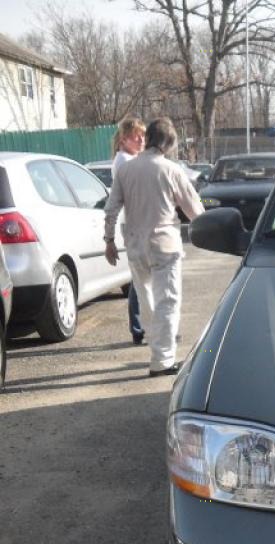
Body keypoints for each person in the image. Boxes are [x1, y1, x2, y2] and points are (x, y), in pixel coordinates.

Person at [103, 118, 204, 376]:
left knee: (146, 298)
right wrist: (207, 230)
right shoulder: (171, 170)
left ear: (148, 139)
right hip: (165, 244)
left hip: (135, 244)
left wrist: (109, 241)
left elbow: (111, 208)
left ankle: (155, 345)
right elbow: (195, 211)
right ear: (168, 144)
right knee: (167, 301)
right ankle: (163, 360)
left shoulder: (125, 170)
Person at [110, 117, 147, 344]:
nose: (141, 140)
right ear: (124, 139)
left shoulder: (130, 158)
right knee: (140, 276)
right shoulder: (124, 161)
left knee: (141, 276)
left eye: (143, 135)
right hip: (135, 224)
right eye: (136, 136)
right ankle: (138, 327)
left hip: (137, 223)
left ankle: (141, 326)